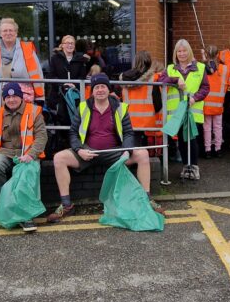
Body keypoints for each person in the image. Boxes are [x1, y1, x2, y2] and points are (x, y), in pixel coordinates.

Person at [51, 73, 160, 224]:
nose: (100, 90)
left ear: (108, 90)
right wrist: (79, 150)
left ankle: (147, 200)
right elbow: (73, 133)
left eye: (103, 86)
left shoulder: (120, 108)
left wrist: (126, 151)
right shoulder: (83, 107)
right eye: (97, 87)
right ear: (92, 91)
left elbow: (128, 132)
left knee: (143, 154)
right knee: (59, 158)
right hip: (88, 152)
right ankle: (67, 205)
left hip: (114, 152)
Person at [0, 82, 49, 233]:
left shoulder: (34, 112)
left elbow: (41, 137)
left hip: (27, 153)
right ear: (4, 99)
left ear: (21, 97)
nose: (11, 100)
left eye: (15, 96)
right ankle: (6, 206)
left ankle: (26, 215)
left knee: (27, 172)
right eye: (8, 97)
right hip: (6, 152)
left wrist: (31, 155)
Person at [161, 39, 208, 179]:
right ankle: (185, 167)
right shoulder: (170, 69)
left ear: (189, 52)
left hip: (193, 111)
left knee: (192, 140)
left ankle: (193, 168)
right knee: (182, 140)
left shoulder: (200, 67)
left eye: (184, 51)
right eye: (179, 51)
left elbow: (205, 87)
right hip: (177, 113)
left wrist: (195, 98)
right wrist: (175, 80)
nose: (181, 54)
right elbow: (161, 81)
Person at [0, 17, 44, 117]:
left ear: (16, 33)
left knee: (23, 127)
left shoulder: (27, 49)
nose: (8, 33)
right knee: (0, 128)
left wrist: (40, 98)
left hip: (23, 98)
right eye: (5, 30)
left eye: (11, 30)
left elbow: (38, 74)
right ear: (0, 33)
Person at [120, 52, 165, 148]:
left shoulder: (123, 78)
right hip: (147, 121)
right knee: (145, 150)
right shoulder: (153, 79)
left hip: (128, 119)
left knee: (132, 146)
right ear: (148, 62)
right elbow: (158, 102)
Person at [47, 34, 91, 122]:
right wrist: (63, 84)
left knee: (76, 121)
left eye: (72, 43)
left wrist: (74, 85)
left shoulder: (80, 59)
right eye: (67, 43)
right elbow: (51, 76)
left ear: (74, 46)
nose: (70, 45)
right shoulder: (55, 58)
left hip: (75, 95)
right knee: (60, 121)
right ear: (62, 45)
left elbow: (82, 77)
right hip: (58, 96)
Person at [201, 45, 227, 158]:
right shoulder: (224, 68)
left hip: (206, 103)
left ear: (206, 54)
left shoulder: (202, 68)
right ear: (218, 55)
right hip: (218, 103)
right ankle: (218, 149)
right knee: (218, 126)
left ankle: (207, 150)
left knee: (207, 127)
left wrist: (203, 58)